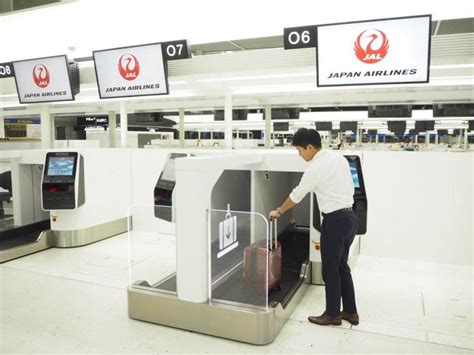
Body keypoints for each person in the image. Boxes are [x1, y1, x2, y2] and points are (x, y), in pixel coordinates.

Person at [269, 128, 359, 326]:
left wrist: (279, 211)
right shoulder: (339, 159)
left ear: (310, 147)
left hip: (334, 222)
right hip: (350, 218)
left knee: (330, 270)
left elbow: (297, 195)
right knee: (342, 266)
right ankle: (351, 312)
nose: (299, 155)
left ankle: (333, 314)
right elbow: (351, 187)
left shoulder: (315, 168)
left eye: (300, 150)